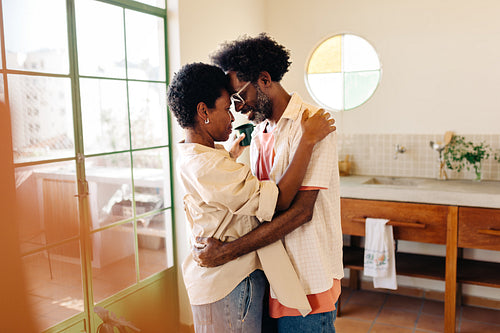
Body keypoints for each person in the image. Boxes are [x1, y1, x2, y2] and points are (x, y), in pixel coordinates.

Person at [167, 62, 335, 333]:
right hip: (228, 284)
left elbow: (217, 185)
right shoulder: (215, 163)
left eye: (239, 98)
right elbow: (279, 201)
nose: (235, 115)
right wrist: (306, 141)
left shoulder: (195, 153)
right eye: (227, 107)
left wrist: (231, 154)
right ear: (203, 111)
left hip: (235, 283)